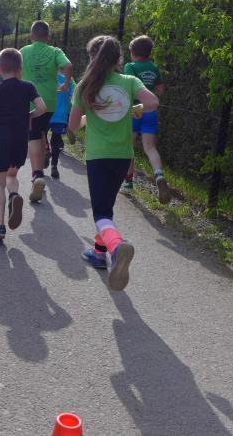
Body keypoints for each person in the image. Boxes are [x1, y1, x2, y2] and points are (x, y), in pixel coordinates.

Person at [68, 35, 158, 290]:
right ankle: (99, 253)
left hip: (98, 156)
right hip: (122, 156)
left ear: (91, 58)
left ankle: (117, 247)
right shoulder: (129, 81)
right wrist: (131, 109)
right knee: (106, 205)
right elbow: (153, 102)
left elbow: (73, 125)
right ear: (118, 59)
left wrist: (85, 118)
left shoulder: (84, 86)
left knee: (100, 213)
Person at [0, 48, 46, 240]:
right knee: (12, 174)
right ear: (20, 68)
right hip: (20, 140)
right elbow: (42, 108)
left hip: (2, 141)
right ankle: (14, 195)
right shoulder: (28, 87)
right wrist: (29, 115)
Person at [20, 21, 73, 202]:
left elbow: (16, 70)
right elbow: (68, 66)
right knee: (42, 132)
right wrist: (65, 85)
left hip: (29, 101)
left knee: (33, 136)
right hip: (49, 102)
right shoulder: (55, 51)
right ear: (48, 37)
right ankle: (42, 161)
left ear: (31, 36)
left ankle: (37, 175)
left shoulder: (24, 51)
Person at [122, 35, 170, 204]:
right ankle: (159, 175)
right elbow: (160, 90)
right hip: (150, 110)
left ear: (133, 53)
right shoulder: (154, 67)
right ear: (149, 52)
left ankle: (128, 183)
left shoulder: (130, 66)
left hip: (134, 110)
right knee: (150, 147)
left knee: (128, 147)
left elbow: (128, 87)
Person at [45, 66, 76, 179]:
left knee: (42, 135)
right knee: (56, 140)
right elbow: (73, 99)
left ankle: (46, 150)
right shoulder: (69, 80)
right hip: (61, 115)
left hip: (46, 112)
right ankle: (54, 166)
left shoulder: (47, 77)